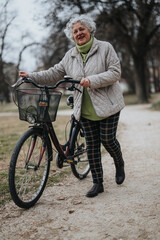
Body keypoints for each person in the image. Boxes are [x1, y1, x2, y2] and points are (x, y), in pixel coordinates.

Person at [19, 14, 125, 198]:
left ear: (90, 30)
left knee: (107, 140)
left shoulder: (105, 48)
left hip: (108, 105)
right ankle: (97, 183)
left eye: (81, 29)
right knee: (92, 147)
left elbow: (115, 73)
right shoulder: (71, 55)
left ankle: (119, 162)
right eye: (75, 31)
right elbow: (55, 72)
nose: (79, 33)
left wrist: (91, 80)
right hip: (84, 109)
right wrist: (32, 76)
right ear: (72, 36)